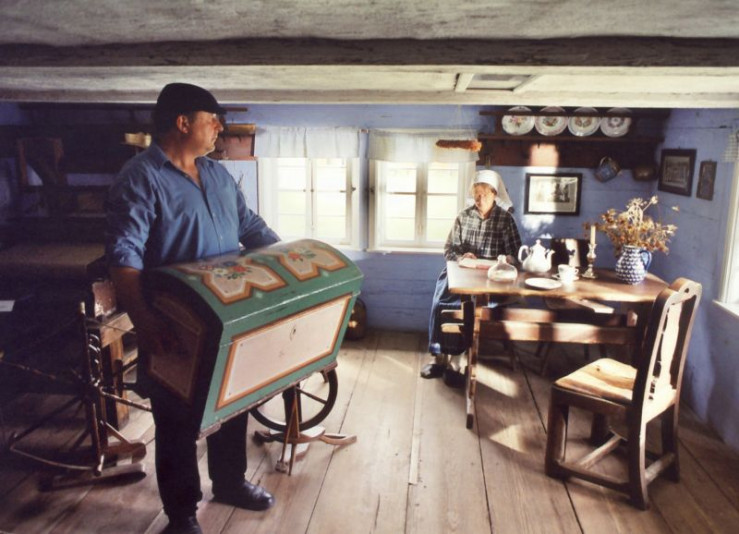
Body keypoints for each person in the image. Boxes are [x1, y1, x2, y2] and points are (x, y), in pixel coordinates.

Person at [106, 83, 280, 534]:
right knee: (176, 417)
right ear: (183, 122)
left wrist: (291, 263)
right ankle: (181, 513)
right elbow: (124, 257)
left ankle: (230, 482)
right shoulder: (140, 178)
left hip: (229, 312)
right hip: (175, 318)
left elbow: (251, 227)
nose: (220, 128)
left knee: (232, 401)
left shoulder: (218, 175)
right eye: (212, 120)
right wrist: (145, 323)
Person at [423, 169, 522, 382]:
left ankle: (457, 362)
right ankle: (439, 357)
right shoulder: (463, 216)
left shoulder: (506, 220)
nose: (479, 199)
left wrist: (506, 259)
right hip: (461, 273)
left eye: (484, 194)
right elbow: (449, 249)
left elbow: (516, 254)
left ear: (495, 194)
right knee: (442, 302)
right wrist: (461, 256)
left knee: (471, 309)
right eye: (476, 194)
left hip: (493, 277)